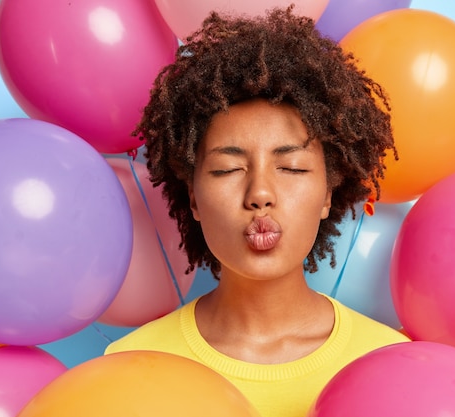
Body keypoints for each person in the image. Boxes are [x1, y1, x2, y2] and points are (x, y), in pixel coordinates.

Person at [105, 6, 409, 417]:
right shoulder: (129, 366)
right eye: (227, 169)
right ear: (193, 197)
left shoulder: (392, 366)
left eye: (291, 167)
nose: (260, 193)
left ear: (327, 194)